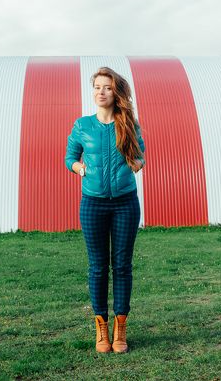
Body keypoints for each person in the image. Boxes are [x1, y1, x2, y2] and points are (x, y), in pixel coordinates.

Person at [64, 66, 146, 354]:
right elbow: (69, 155)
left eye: (107, 87)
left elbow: (140, 155)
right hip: (93, 203)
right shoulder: (82, 126)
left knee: (122, 266)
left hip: (125, 203)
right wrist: (77, 167)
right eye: (97, 87)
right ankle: (101, 329)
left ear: (116, 92)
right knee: (98, 267)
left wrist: (137, 163)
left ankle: (120, 328)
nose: (101, 92)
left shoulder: (129, 124)